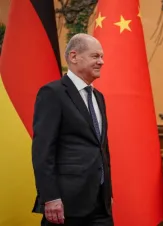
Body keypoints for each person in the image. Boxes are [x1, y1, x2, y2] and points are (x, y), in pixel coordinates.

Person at [31, 33, 113, 225]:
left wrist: (107, 191)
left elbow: (101, 148)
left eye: (102, 57)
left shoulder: (98, 97)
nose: (101, 62)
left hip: (100, 204)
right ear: (74, 56)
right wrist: (50, 197)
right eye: (95, 56)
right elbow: (43, 151)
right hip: (66, 205)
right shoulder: (53, 93)